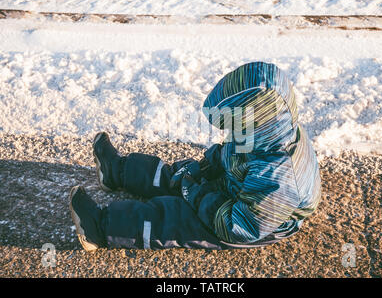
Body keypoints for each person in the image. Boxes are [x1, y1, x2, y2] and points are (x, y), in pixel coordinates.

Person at [69, 61, 321, 251]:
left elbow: (241, 228)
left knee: (177, 217)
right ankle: (118, 172)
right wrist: (206, 167)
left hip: (251, 220)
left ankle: (99, 228)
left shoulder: (281, 177)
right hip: (245, 186)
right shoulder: (267, 131)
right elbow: (232, 152)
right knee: (179, 174)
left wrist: (198, 196)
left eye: (235, 126)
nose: (230, 132)